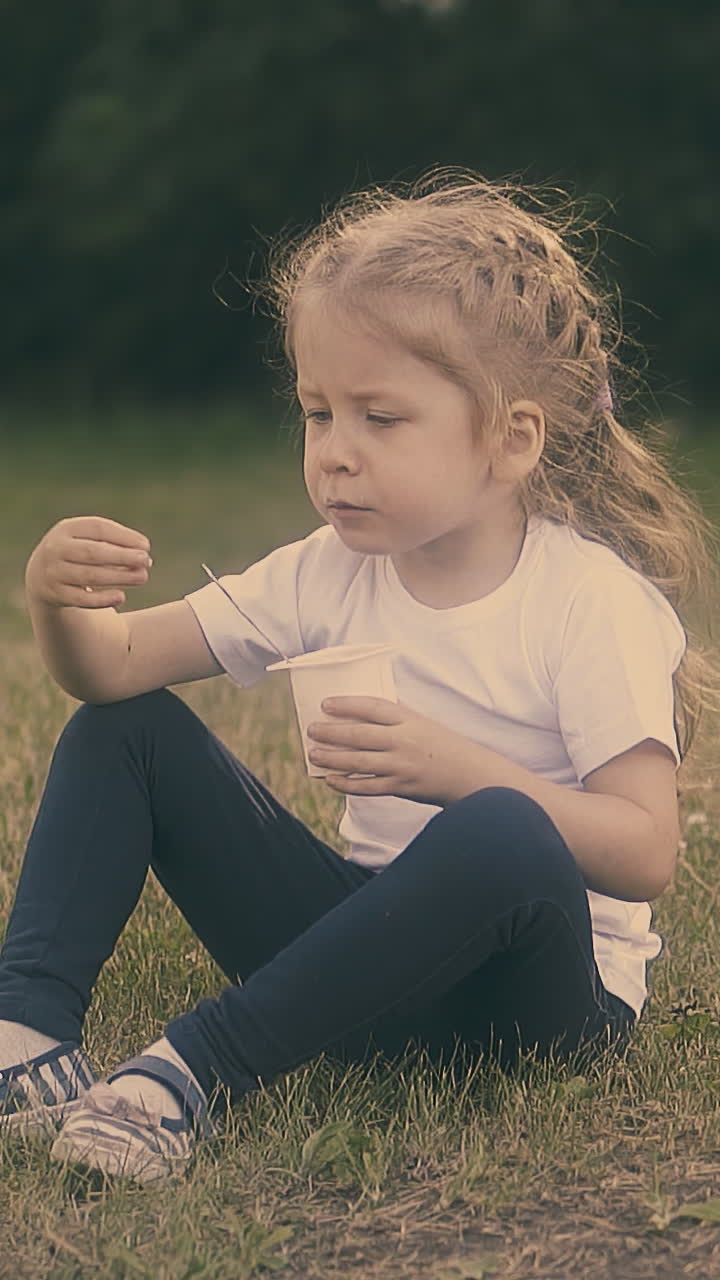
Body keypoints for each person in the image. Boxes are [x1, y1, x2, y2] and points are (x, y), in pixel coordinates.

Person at [1, 171, 717, 1186]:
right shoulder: (327, 568)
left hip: (535, 1006)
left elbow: (646, 852)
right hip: (360, 960)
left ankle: (191, 1069)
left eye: (380, 418)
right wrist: (53, 606)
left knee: (502, 826)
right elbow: (111, 668)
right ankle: (24, 1032)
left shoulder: (587, 601)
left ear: (510, 438)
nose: (334, 454)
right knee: (127, 728)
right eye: (317, 412)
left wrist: (455, 767)